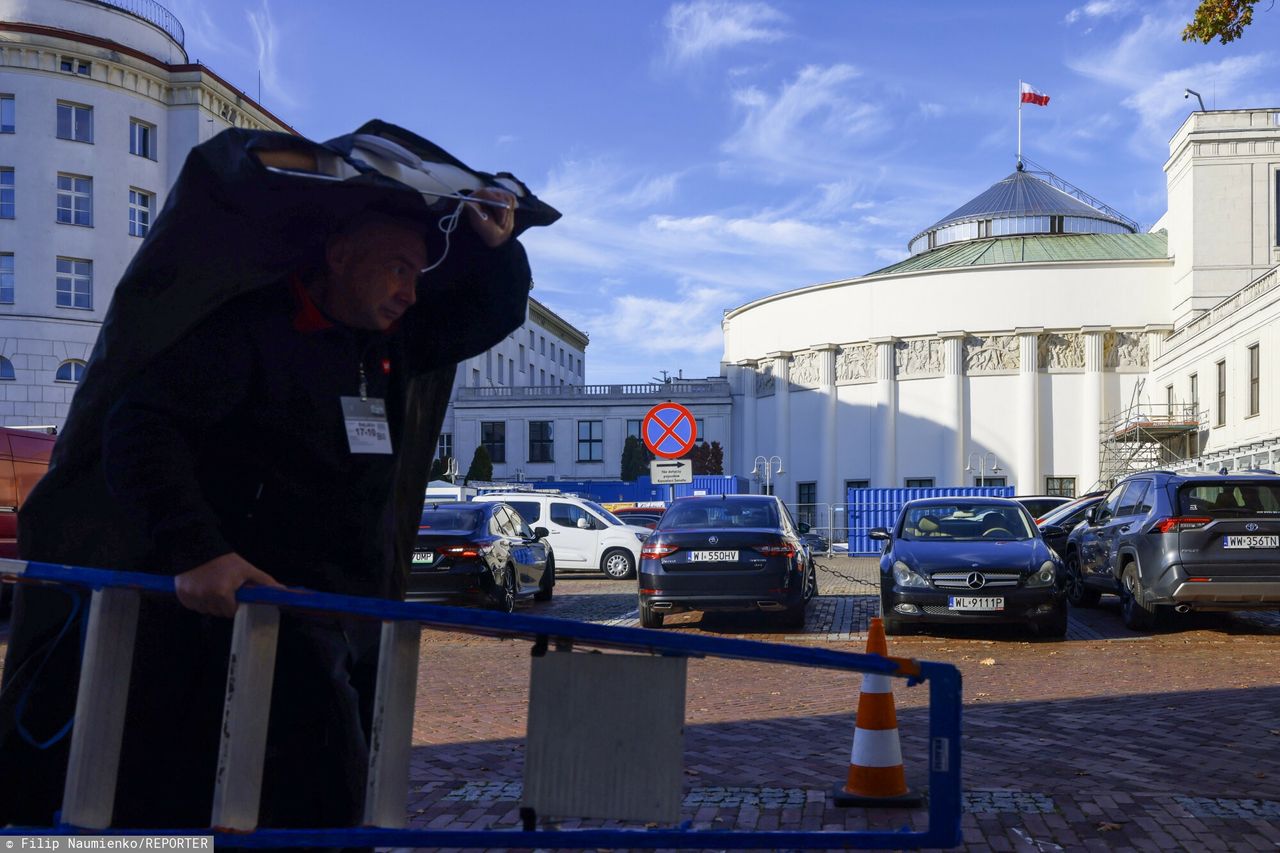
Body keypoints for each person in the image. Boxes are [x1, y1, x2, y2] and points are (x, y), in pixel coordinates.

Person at [0, 127, 542, 831]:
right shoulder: (248, 333)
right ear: (341, 255)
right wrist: (197, 549)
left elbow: (487, 316)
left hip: (330, 624)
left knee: (317, 807)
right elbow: (136, 426)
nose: (412, 292)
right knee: (195, 808)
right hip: (223, 624)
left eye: (418, 273)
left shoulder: (385, 344)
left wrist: (502, 251)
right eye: (398, 268)